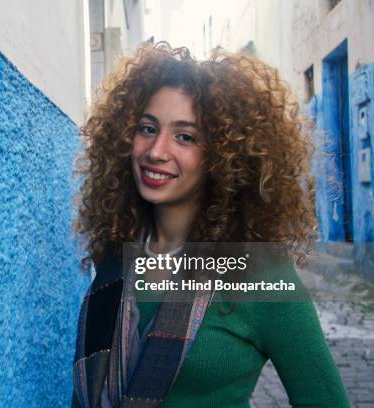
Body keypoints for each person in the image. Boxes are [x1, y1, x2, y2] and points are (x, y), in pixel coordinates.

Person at [71, 43, 350, 407]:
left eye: (184, 136)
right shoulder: (116, 256)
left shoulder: (262, 275)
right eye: (147, 128)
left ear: (223, 156)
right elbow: (85, 393)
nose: (156, 151)